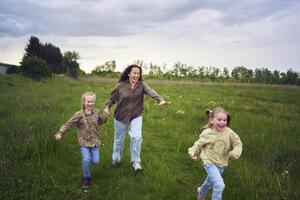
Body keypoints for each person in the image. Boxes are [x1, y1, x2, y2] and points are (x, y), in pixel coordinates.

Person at [104, 64, 169, 171]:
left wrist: (160, 99)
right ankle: (116, 160)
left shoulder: (142, 85)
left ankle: (136, 162)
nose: (136, 75)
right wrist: (107, 108)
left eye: (138, 73)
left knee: (136, 137)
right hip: (121, 115)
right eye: (134, 73)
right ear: (129, 74)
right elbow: (111, 99)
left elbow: (151, 91)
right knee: (119, 139)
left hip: (136, 115)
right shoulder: (120, 86)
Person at [54, 91, 108, 187]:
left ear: (94, 102)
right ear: (84, 102)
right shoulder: (78, 114)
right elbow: (68, 124)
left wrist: (105, 116)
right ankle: (86, 177)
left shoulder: (96, 112)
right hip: (84, 142)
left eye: (92, 102)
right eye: (88, 102)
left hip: (95, 141)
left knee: (96, 161)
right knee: (86, 160)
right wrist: (60, 132)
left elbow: (100, 122)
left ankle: (89, 158)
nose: (90, 104)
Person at [188, 108, 242, 200]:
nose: (222, 122)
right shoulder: (207, 133)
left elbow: (238, 144)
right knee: (219, 185)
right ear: (212, 120)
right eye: (219, 120)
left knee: (209, 182)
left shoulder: (229, 133)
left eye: (224, 120)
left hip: (222, 164)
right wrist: (192, 151)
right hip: (209, 162)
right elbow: (198, 144)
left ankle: (201, 192)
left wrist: (235, 152)